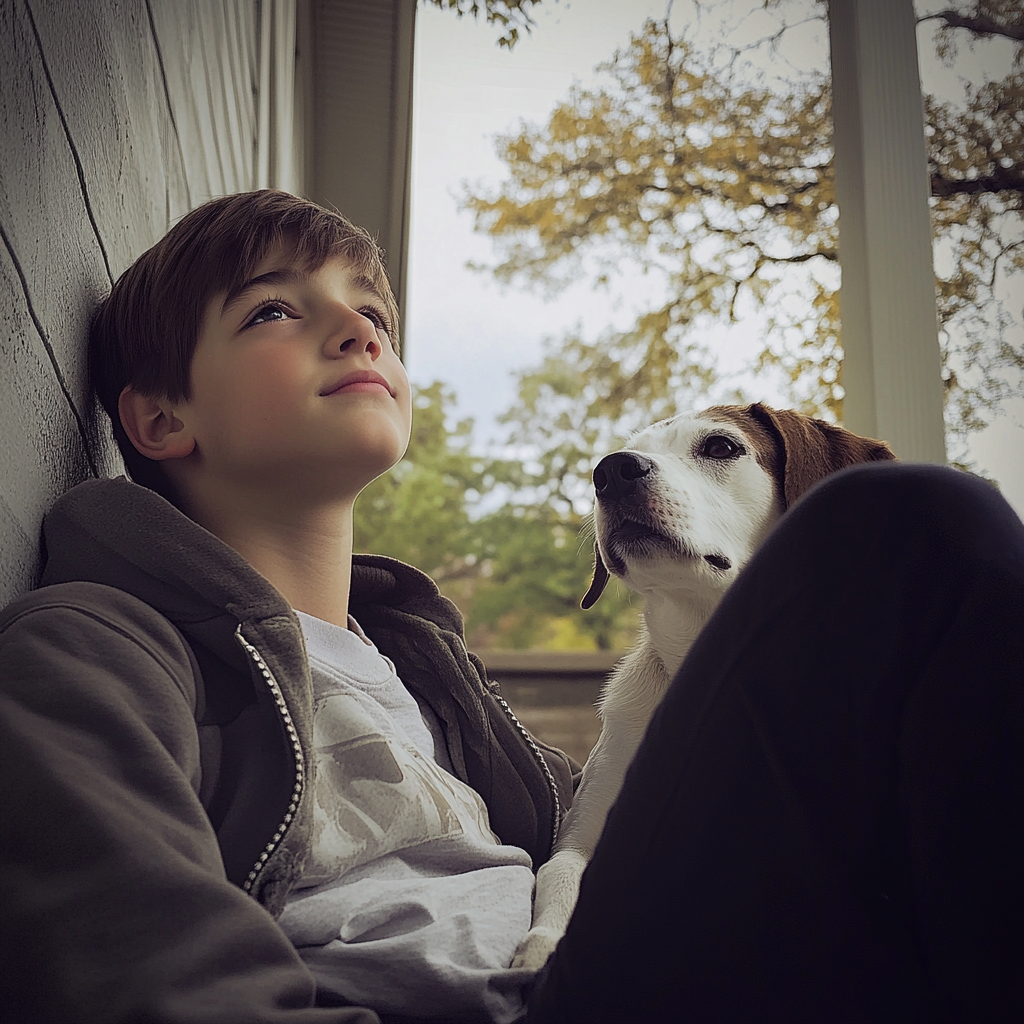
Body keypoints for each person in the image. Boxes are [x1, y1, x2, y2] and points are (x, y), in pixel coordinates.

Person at [0, 189, 1020, 1024]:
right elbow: (144, 983)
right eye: (274, 308)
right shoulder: (94, 651)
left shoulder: (430, 681)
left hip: (620, 973)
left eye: (375, 314)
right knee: (913, 520)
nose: (356, 324)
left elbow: (631, 828)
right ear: (160, 416)